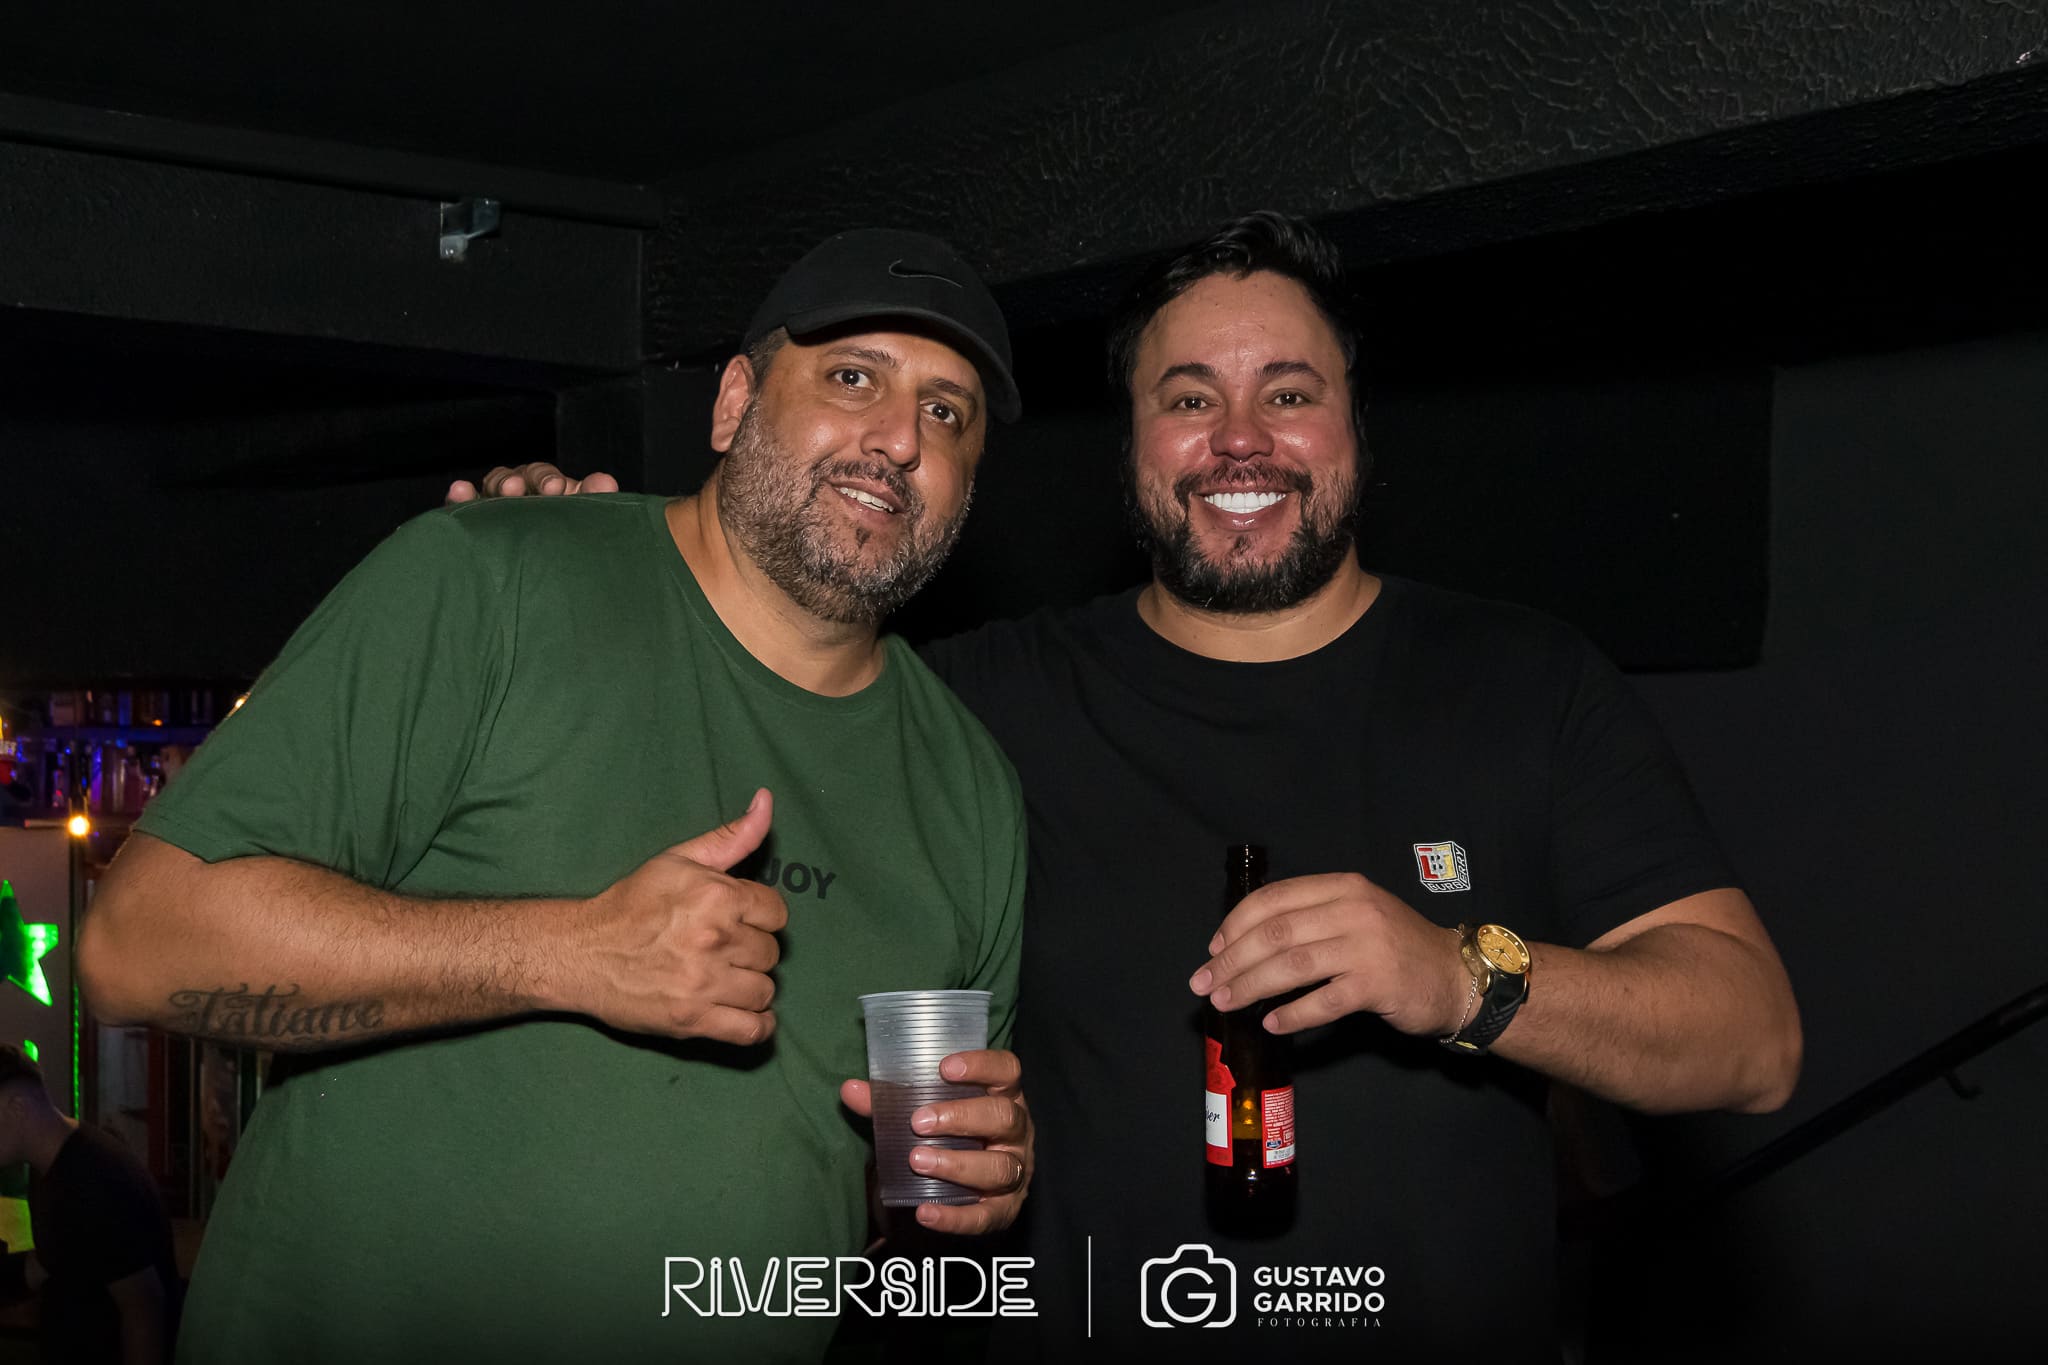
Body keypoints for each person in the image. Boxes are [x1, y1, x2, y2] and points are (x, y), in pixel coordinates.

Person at [485, 211, 1802, 1362]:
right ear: (1130, 443)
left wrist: (1460, 976)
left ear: (1355, 425)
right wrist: (586, 573)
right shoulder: (977, 702)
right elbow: (719, 713)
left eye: (1289, 393)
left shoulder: (1521, 682)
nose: (1239, 440)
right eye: (1187, 399)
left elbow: (1750, 1041)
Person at [77, 229, 1037, 1364]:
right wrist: (570, 953)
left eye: (946, 413)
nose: (898, 438)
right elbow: (135, 946)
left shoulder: (971, 790)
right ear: (733, 403)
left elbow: (885, 1190)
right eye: (852, 377)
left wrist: (980, 1178)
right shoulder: (491, 577)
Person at [0, 1044, 179, 1365]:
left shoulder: (93, 1179)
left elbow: (144, 1309)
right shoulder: (51, 1165)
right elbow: (51, 1261)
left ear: (17, 1107)